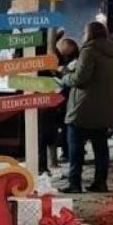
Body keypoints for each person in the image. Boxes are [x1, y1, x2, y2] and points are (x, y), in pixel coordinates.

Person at [60, 22, 113, 194]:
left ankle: (74, 183)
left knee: (75, 147)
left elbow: (80, 78)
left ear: (90, 33)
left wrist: (65, 76)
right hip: (106, 104)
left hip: (84, 106)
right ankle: (101, 182)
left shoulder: (89, 51)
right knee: (101, 147)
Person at [38, 30, 75, 174]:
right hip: (50, 95)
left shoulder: (45, 51)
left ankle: (44, 165)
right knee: (47, 130)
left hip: (45, 96)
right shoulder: (51, 52)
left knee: (43, 131)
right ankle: (46, 164)